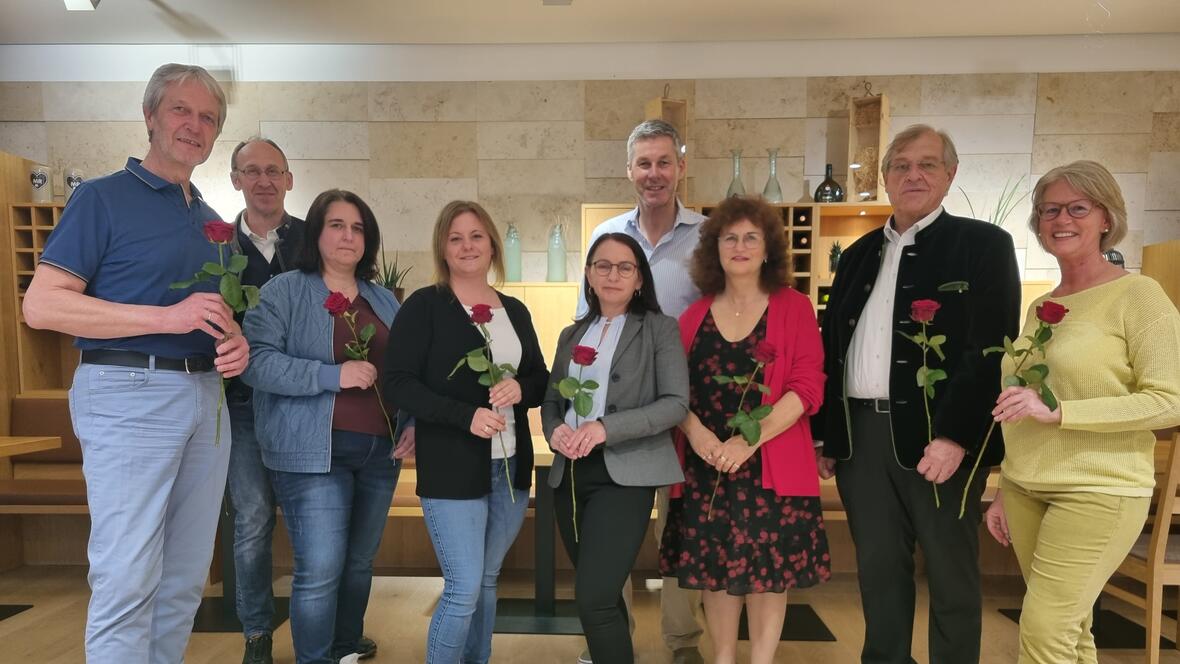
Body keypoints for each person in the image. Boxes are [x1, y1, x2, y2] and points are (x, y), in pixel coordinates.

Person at [21, 63, 250, 661]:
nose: (193, 125)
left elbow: (212, 315)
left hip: (206, 401)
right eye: (181, 109)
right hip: (128, 389)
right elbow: (42, 306)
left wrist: (234, 340)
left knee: (181, 584)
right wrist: (167, 318)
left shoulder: (211, 221)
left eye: (207, 117)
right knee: (127, 579)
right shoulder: (101, 197)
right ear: (150, 116)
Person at [813, 124, 1022, 664]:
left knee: (951, 573)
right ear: (884, 178)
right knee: (879, 571)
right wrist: (828, 435)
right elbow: (832, 345)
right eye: (901, 165)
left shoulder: (983, 245)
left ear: (950, 175)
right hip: (861, 439)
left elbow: (991, 347)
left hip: (941, 438)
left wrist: (956, 436)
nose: (913, 175)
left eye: (927, 164)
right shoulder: (857, 254)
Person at [983, 160, 1180, 664]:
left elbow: (1169, 400)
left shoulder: (1139, 296)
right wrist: (1006, 485)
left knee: (1044, 628)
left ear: (1106, 217)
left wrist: (1062, 412)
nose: (1061, 220)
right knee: (1071, 633)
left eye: (1077, 208)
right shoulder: (1041, 307)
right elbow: (1018, 406)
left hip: (1099, 487)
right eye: (1050, 210)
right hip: (1028, 485)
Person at [661, 196, 831, 664]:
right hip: (706, 465)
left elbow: (807, 386)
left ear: (768, 248)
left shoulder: (795, 307)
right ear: (713, 249)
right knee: (715, 569)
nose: (739, 246)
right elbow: (676, 394)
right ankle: (722, 658)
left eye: (750, 237)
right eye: (729, 237)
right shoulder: (692, 317)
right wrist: (699, 437)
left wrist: (747, 441)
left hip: (769, 461)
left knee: (766, 573)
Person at [242, 189, 407, 664]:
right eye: (336, 225)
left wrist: (411, 423)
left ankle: (344, 646)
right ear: (316, 232)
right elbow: (256, 363)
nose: (348, 236)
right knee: (320, 568)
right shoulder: (285, 291)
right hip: (313, 453)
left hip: (380, 452)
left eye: (357, 228)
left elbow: (403, 373)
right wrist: (331, 376)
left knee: (358, 564)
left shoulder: (383, 300)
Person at [383, 200, 549, 664]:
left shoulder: (514, 310)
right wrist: (465, 416)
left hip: (511, 471)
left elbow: (541, 378)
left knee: (488, 580)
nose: (467, 245)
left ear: (492, 243)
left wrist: (520, 386)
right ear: (442, 248)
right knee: (463, 587)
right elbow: (397, 382)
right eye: (455, 237)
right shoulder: (425, 306)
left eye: (476, 235)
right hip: (452, 467)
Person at [576, 118, 707, 664]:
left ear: (680, 166)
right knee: (611, 534)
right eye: (644, 163)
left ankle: (682, 643)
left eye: (664, 162)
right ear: (630, 170)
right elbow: (584, 327)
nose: (654, 173)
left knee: (679, 529)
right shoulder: (608, 235)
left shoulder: (706, 236)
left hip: (687, 409)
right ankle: (612, 640)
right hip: (618, 416)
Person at [543, 232, 689, 664]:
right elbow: (553, 400)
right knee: (598, 593)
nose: (613, 274)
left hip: (625, 475)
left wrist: (607, 428)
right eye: (602, 265)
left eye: (625, 267)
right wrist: (554, 430)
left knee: (594, 598)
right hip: (568, 476)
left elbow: (676, 405)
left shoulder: (659, 329)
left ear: (640, 278)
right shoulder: (572, 333)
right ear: (588, 275)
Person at [223, 137, 314, 664]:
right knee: (254, 519)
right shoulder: (212, 243)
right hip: (240, 405)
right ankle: (257, 633)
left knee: (313, 522)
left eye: (273, 170)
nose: (264, 180)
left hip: (303, 403)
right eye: (252, 171)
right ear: (236, 179)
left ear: (289, 178)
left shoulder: (314, 240)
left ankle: (328, 630)